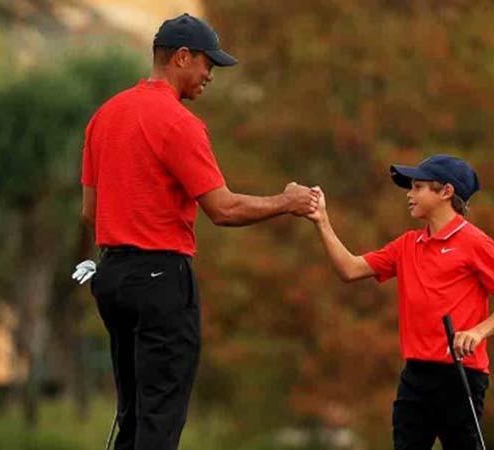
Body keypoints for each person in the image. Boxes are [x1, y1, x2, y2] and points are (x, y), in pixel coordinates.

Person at [77, 13, 319, 450]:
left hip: (111, 278)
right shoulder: (178, 122)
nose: (210, 75)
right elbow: (223, 210)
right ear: (182, 57)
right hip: (160, 278)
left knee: (132, 411)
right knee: (161, 417)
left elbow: (90, 212)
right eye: (208, 63)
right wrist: (288, 202)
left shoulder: (105, 116)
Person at [306, 154, 494, 450]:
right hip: (416, 377)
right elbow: (350, 269)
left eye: (418, 187)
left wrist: (476, 332)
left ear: (446, 192)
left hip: (461, 376)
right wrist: (322, 221)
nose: (409, 195)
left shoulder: (476, 243)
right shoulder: (407, 245)